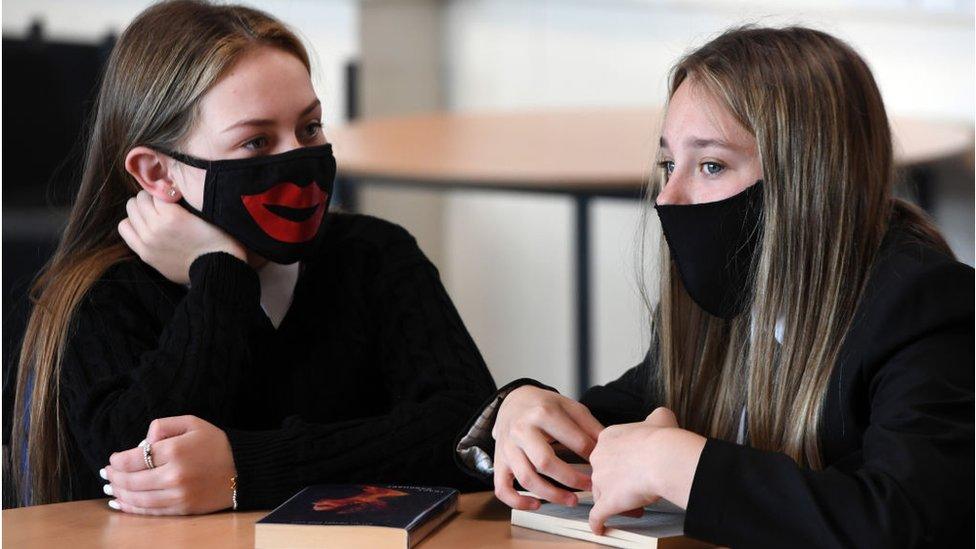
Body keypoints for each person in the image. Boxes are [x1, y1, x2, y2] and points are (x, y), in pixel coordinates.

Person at [455, 26, 973, 548]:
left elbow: (906, 521)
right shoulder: (720, 299)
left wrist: (684, 468)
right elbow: (625, 419)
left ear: (809, 178)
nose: (670, 197)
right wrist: (525, 416)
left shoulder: (922, 306)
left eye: (710, 165)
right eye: (667, 164)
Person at [10, 0, 496, 514]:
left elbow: (473, 430)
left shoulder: (375, 255)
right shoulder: (102, 296)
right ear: (157, 173)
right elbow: (137, 467)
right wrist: (219, 276)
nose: (300, 162)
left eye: (309, 129)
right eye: (257, 141)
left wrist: (246, 467)